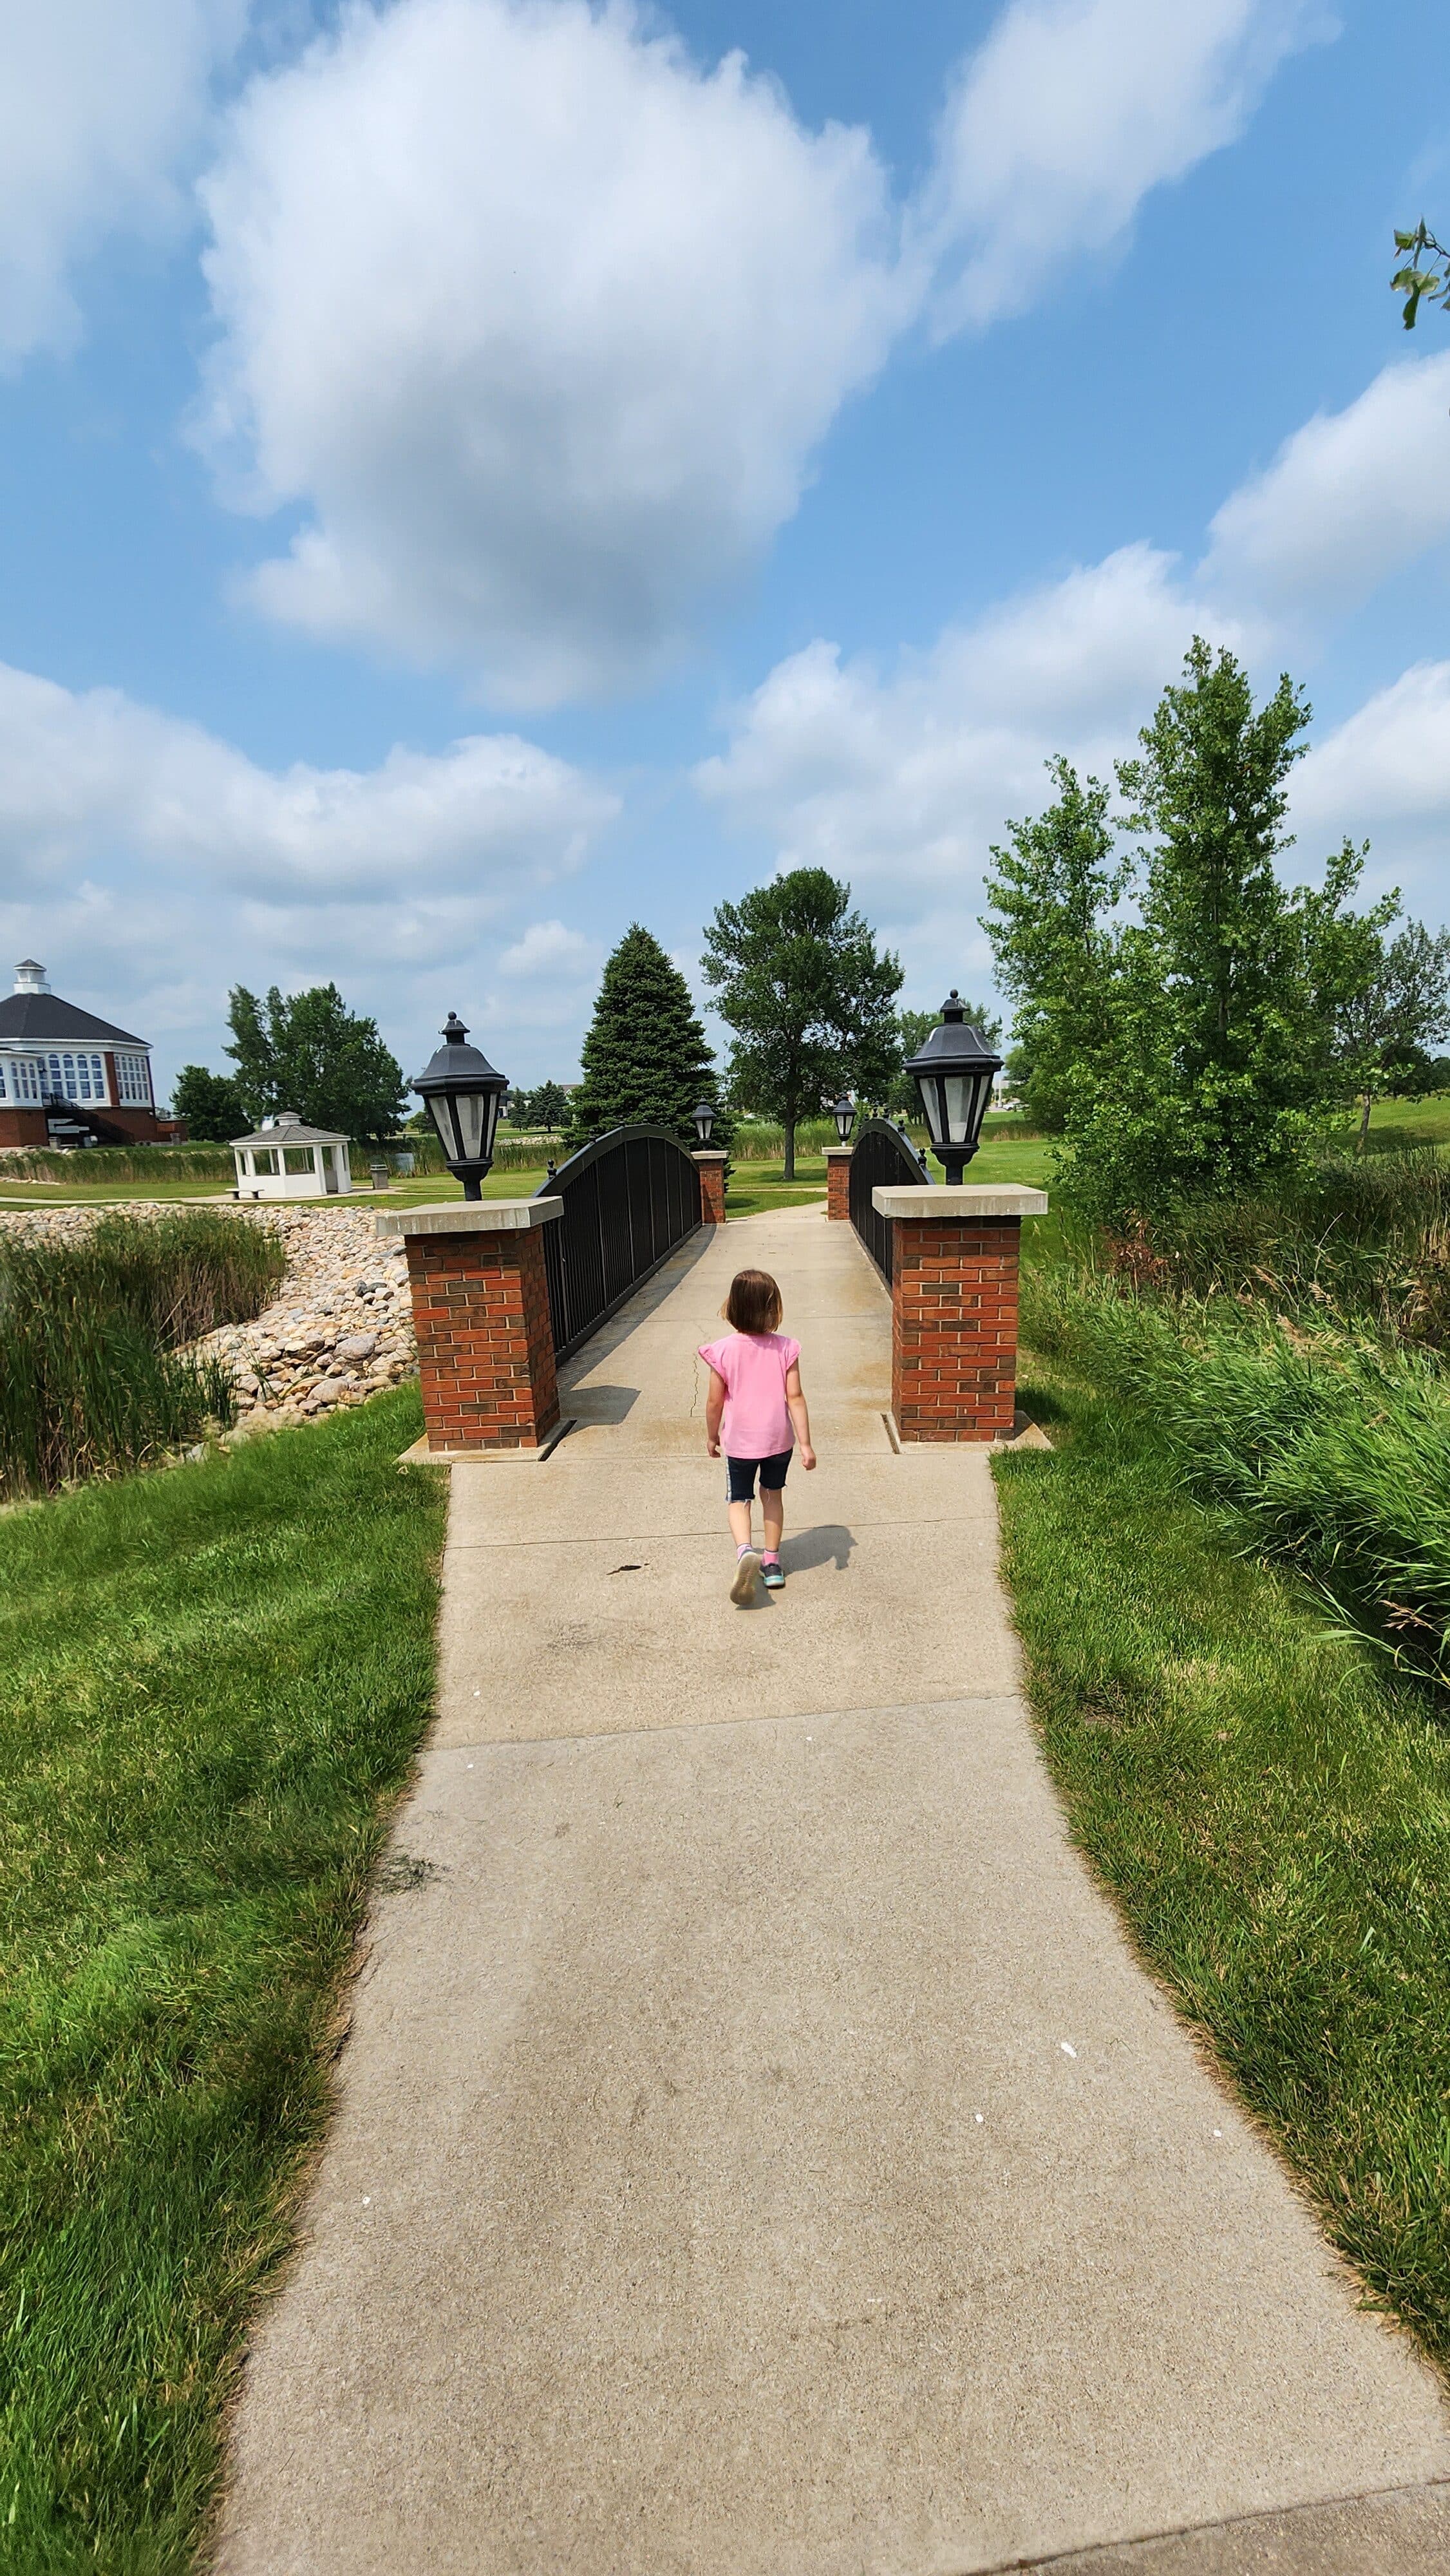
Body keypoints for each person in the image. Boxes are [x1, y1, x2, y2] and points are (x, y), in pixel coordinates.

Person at [699, 1266, 815, 1605]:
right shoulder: (785, 1348)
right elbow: (795, 1397)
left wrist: (711, 1436)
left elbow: (713, 1402)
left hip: (741, 1440)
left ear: (732, 1307)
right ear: (772, 1308)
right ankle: (773, 1562)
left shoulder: (722, 1351)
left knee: (739, 1499)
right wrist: (806, 1444)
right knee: (773, 1495)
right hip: (779, 1439)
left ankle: (745, 1550)